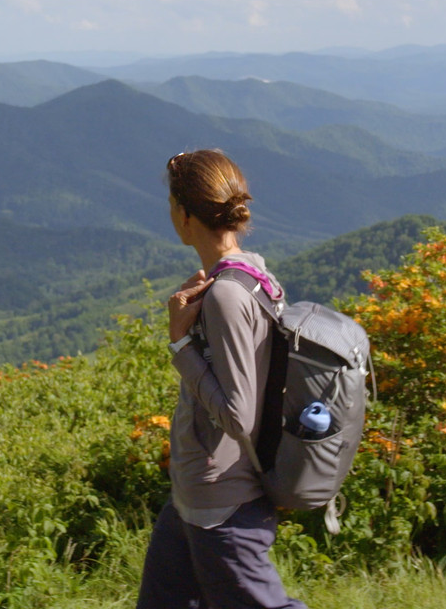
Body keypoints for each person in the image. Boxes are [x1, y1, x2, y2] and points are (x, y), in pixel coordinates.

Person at [136, 150, 307, 609]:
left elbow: (238, 415)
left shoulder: (227, 295)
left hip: (223, 504)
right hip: (195, 494)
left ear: (184, 215)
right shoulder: (252, 271)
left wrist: (180, 344)